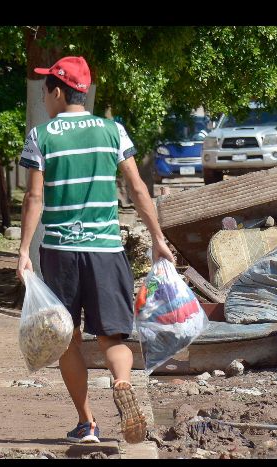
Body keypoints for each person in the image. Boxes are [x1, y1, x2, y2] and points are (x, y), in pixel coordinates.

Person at [16, 56, 174, 444]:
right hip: (106, 250)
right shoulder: (113, 131)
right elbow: (138, 189)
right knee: (113, 338)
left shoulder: (43, 135)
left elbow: (34, 197)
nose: (44, 95)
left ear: (57, 90)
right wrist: (158, 238)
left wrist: (22, 250)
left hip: (60, 252)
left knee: (68, 338)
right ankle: (121, 382)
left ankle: (87, 424)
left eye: (45, 88)